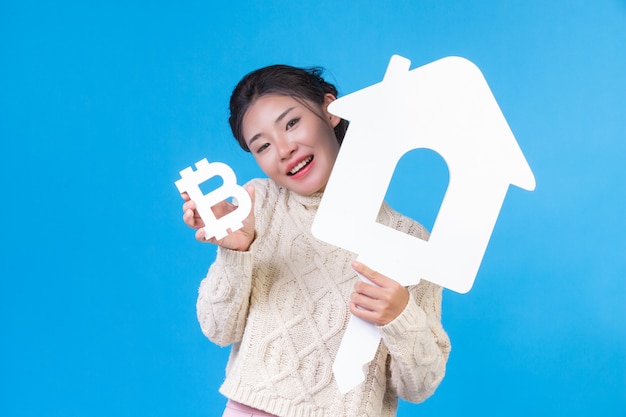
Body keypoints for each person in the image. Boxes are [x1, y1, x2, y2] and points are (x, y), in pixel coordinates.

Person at [181, 64, 451, 417]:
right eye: (262, 146)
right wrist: (237, 252)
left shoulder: (409, 239)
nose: (283, 149)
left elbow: (419, 387)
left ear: (330, 109)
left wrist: (399, 315)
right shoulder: (258, 206)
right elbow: (218, 330)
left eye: (291, 123)